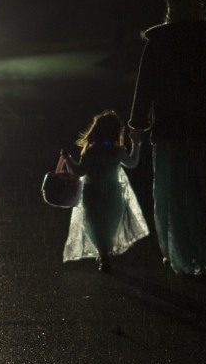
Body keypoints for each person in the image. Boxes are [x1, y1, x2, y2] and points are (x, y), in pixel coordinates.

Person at [128, 0, 206, 276]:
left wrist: (137, 122)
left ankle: (184, 253)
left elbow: (145, 86)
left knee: (175, 193)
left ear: (170, 10)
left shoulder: (159, 41)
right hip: (204, 126)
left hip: (170, 127)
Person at [61, 110, 149, 272]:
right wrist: (136, 144)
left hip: (92, 194)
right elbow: (133, 163)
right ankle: (105, 253)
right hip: (112, 194)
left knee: (96, 226)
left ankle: (103, 255)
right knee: (109, 225)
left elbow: (79, 171)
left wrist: (68, 158)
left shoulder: (90, 151)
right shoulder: (117, 151)